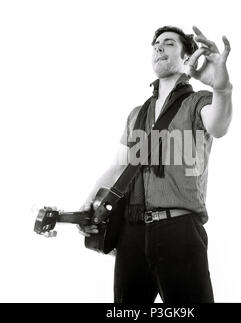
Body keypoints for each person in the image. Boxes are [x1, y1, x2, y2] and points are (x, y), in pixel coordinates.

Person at [79, 25, 232, 303]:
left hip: (180, 230)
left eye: (170, 43)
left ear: (188, 58)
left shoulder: (198, 102)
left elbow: (219, 125)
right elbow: (118, 168)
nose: (159, 47)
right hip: (132, 233)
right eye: (157, 44)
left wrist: (221, 86)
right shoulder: (137, 114)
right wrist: (88, 204)